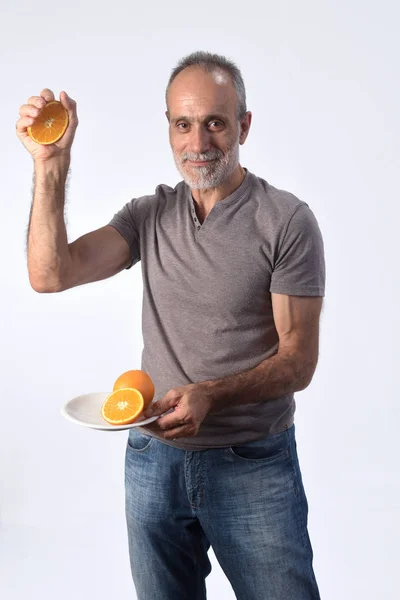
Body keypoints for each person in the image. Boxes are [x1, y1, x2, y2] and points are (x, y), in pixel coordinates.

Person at [17, 51, 325, 600]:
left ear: (244, 127)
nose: (198, 142)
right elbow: (49, 273)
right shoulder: (148, 215)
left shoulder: (286, 221)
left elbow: (297, 361)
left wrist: (212, 394)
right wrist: (49, 164)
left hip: (251, 462)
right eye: (183, 124)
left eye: (215, 123)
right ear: (168, 130)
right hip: (152, 461)